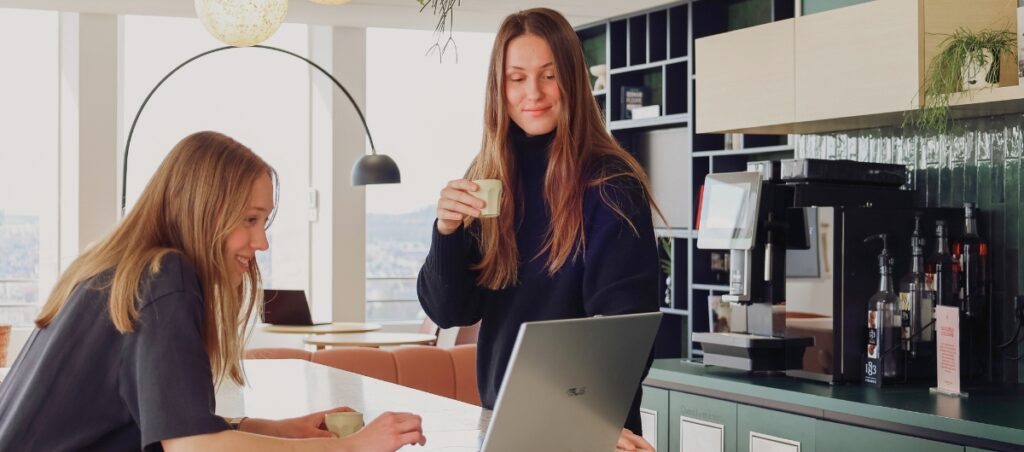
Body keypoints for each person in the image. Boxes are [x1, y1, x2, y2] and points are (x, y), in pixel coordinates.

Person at [0, 131, 426, 452]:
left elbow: (169, 422)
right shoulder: (167, 274)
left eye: (265, 222)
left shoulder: (122, 266)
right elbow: (193, 446)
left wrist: (278, 431)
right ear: (203, 210)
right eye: (250, 219)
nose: (262, 243)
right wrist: (351, 446)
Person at [417, 8, 660, 452]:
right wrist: (446, 232)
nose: (534, 93)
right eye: (517, 78)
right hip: (503, 427)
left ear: (572, 80)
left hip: (588, 431)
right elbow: (451, 311)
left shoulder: (610, 184)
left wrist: (582, 426)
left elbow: (622, 330)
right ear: (499, 88)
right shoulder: (488, 176)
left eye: (549, 75)